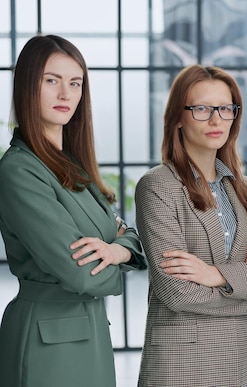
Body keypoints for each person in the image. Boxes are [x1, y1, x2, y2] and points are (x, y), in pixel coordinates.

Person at [134, 64, 247, 387]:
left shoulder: (243, 188)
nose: (216, 119)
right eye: (202, 108)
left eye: (225, 108)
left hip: (235, 359)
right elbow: (176, 292)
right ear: (178, 117)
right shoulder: (158, 186)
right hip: (180, 363)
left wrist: (216, 275)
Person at [0, 35, 147, 387]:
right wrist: (122, 263)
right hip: (46, 340)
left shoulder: (74, 166)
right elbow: (80, 274)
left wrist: (115, 250)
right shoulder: (19, 170)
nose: (66, 94)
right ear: (26, 86)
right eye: (51, 81)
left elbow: (127, 236)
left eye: (75, 83)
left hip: (90, 329)